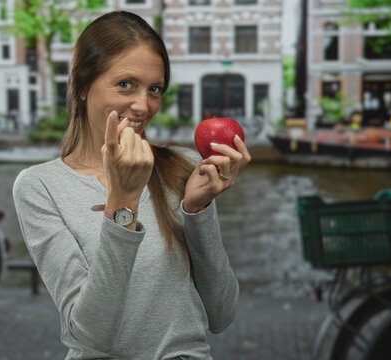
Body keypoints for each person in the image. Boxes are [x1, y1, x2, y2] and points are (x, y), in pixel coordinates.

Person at [13, 11, 251, 359]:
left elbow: (222, 313)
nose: (143, 105)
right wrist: (122, 203)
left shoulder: (184, 167)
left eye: (154, 89)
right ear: (81, 87)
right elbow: (90, 335)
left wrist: (197, 209)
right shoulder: (41, 187)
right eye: (126, 84)